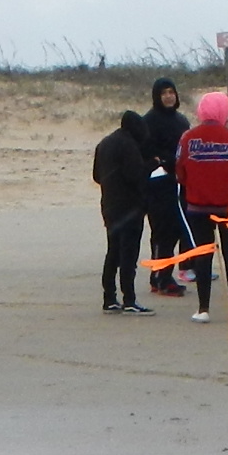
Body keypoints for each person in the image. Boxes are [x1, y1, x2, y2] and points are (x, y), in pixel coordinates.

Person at [174, 91, 228, 320]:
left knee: (203, 255)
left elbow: (179, 170)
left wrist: (195, 184)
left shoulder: (187, 138)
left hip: (198, 206)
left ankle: (203, 309)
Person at [91, 109, 156, 312]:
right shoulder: (129, 145)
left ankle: (109, 298)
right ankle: (129, 299)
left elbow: (96, 176)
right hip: (130, 208)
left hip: (109, 206)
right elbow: (135, 175)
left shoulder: (104, 143)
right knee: (129, 255)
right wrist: (153, 164)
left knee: (113, 253)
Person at [140, 77, 194, 297]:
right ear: (157, 96)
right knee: (161, 231)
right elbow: (146, 151)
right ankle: (161, 278)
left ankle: (162, 275)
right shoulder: (149, 121)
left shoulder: (182, 121)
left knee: (174, 230)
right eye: (164, 93)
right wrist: (165, 161)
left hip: (179, 183)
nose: (168, 96)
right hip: (157, 182)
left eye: (171, 92)